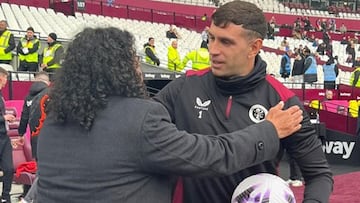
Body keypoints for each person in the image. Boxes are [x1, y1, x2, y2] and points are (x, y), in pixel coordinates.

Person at [35, 27, 303, 203]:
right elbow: (211, 156)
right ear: (121, 69)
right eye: (134, 61)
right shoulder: (140, 119)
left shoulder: (54, 122)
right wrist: (269, 130)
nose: (139, 69)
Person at [153, 1, 333, 203]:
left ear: (254, 47)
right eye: (211, 38)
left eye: (226, 42)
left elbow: (319, 175)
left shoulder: (283, 101)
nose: (213, 49)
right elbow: (142, 137)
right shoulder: (183, 87)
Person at [16, 71, 50, 201]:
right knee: (45, 169)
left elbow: (24, 116)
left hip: (34, 137)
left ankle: (28, 195)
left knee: (37, 165)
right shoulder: (48, 94)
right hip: (48, 138)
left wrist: (20, 133)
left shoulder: (29, 96)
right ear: (47, 82)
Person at [0, 66, 16, 203]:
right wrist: (3, 118)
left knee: (9, 168)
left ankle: (6, 196)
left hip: (4, 137)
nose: (7, 81)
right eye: (6, 77)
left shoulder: (1, 96)